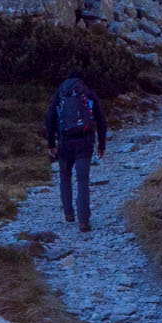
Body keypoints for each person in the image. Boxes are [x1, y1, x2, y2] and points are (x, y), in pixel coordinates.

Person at [44, 76, 107, 231]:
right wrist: (102, 144)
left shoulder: (60, 95)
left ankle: (69, 214)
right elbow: (101, 120)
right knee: (82, 181)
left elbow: (50, 119)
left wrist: (51, 144)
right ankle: (83, 221)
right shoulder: (89, 95)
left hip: (65, 143)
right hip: (85, 143)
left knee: (65, 177)